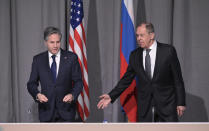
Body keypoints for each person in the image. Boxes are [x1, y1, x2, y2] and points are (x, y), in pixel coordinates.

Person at [97, 22, 186, 122]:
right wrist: (111, 95)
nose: (139, 38)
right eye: (137, 35)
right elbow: (126, 79)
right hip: (145, 106)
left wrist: (181, 102)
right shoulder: (135, 55)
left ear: (151, 35)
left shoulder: (168, 51)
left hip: (166, 104)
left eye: (142, 35)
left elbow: (178, 79)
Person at [27, 26, 83, 122]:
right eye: (52, 42)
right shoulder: (38, 60)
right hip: (46, 111)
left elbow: (78, 82)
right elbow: (31, 83)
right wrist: (37, 95)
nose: (55, 45)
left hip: (66, 111)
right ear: (46, 43)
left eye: (58, 42)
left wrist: (72, 95)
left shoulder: (71, 58)